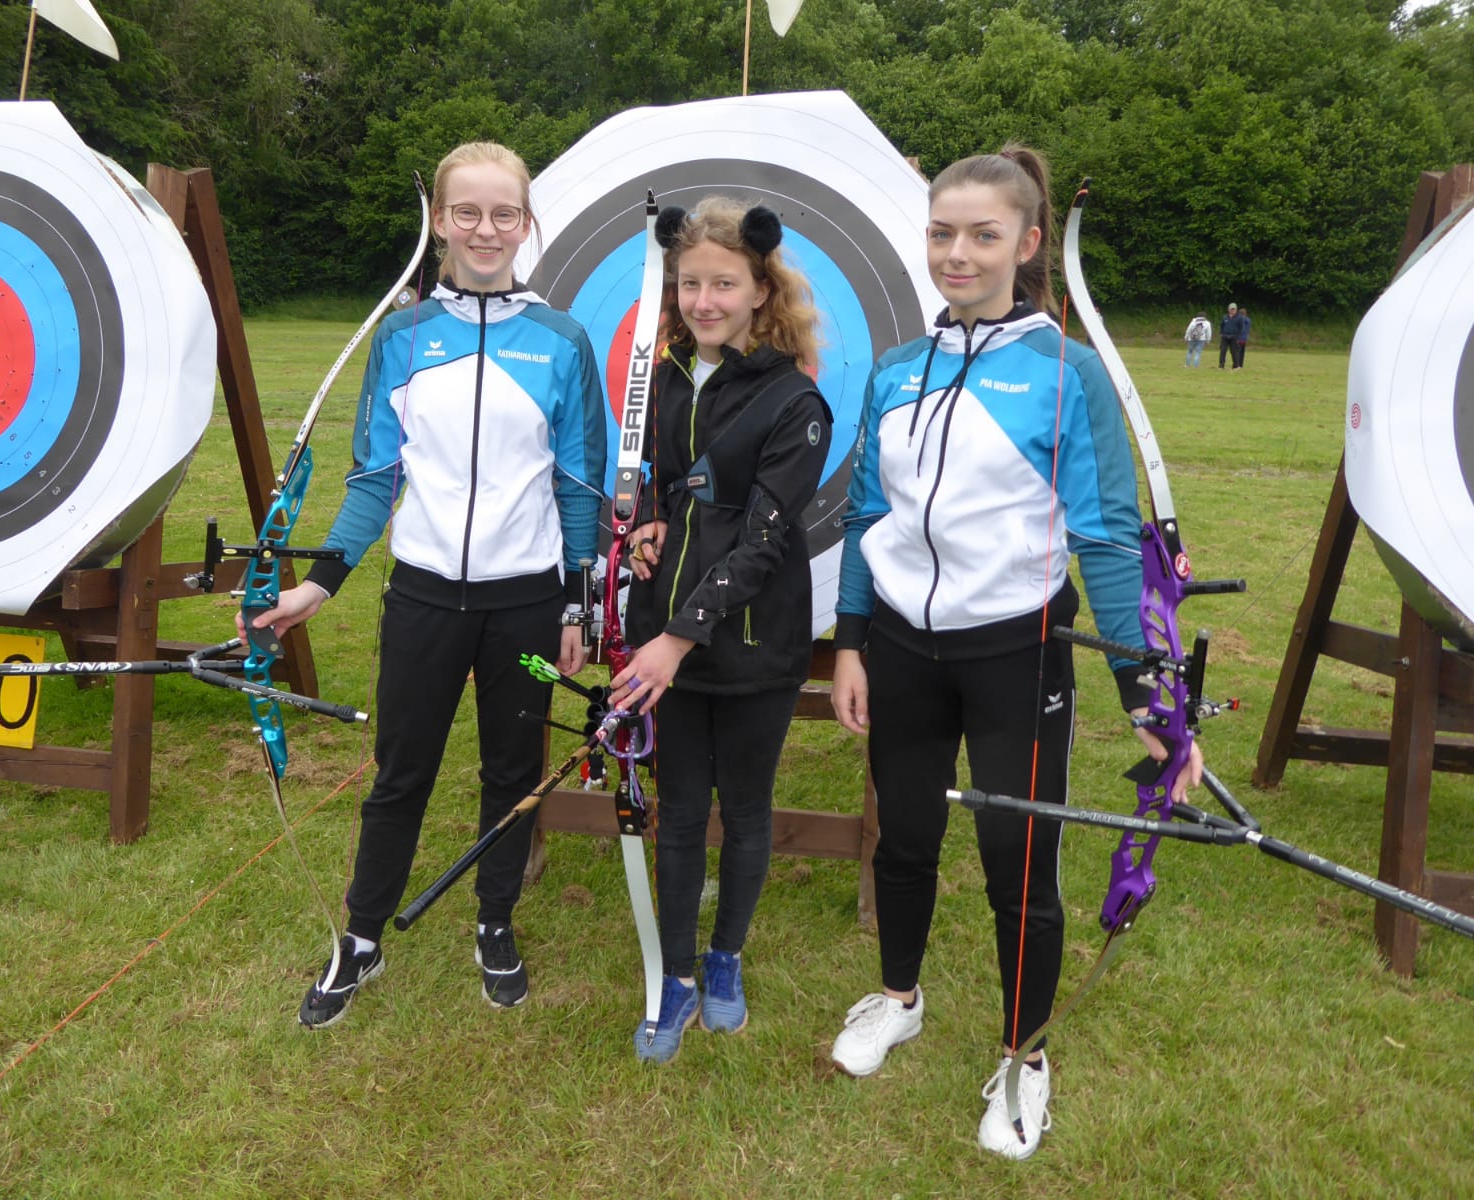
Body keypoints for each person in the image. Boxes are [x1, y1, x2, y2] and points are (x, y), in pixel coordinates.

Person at [826, 144, 1201, 1159]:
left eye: (982, 235)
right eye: (941, 232)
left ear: (1028, 243)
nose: (957, 252)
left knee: (1017, 862)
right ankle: (898, 997)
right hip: (900, 648)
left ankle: (1024, 1054)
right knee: (904, 836)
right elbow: (867, 517)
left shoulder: (1065, 374)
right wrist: (851, 642)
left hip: (1016, 655)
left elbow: (1107, 537)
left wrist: (1145, 693)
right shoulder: (897, 369)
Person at [247, 142, 606, 1028]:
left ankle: (494, 922)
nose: (486, 230)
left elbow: (578, 481)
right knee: (400, 770)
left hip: (527, 606)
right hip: (423, 599)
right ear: (440, 221)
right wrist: (318, 586)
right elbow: (377, 477)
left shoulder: (562, 340)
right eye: (467, 213)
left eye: (504, 213)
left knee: (514, 769)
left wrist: (577, 603)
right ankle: (362, 936)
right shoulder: (402, 338)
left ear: (526, 223)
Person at [609, 197, 831, 1064]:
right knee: (677, 814)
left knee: (743, 811)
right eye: (690, 283)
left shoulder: (794, 399)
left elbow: (765, 539)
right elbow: (669, 484)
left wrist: (677, 637)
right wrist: (650, 526)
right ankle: (674, 977)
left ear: (761, 289)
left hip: (749, 643)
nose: (704, 301)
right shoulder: (667, 376)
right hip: (668, 635)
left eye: (724, 284)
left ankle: (725, 957)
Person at [1217, 302, 1239, 368]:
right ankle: (1221, 365)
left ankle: (1235, 366)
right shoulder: (1225, 317)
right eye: (1231, 309)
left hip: (1234, 337)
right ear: (1228, 309)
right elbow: (1222, 325)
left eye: (1234, 309)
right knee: (1223, 351)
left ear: (1236, 310)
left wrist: (1238, 335)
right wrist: (1221, 333)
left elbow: (1241, 327)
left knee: (1234, 352)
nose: (1232, 310)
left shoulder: (1239, 318)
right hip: (1225, 337)